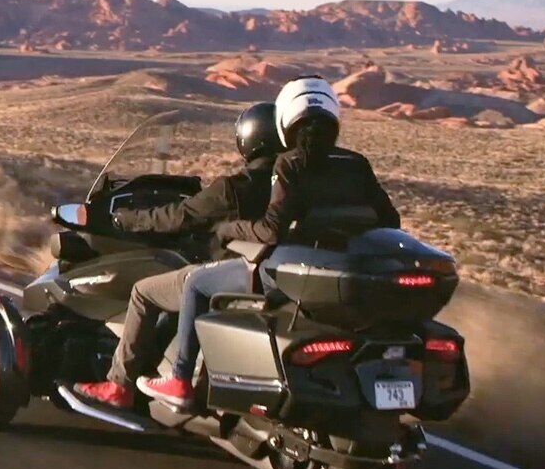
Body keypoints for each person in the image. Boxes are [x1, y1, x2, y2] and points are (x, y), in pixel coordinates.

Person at [136, 75, 401, 410]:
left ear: (285, 121)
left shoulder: (289, 164)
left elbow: (271, 230)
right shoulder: (356, 164)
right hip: (345, 270)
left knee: (196, 284)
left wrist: (230, 229)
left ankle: (180, 379)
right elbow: (391, 221)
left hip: (292, 270)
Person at [72, 102, 283, 409]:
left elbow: (176, 217)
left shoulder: (232, 189)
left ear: (248, 139)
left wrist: (125, 220)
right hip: (270, 274)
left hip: (225, 274)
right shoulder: (291, 185)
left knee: (144, 292)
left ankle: (119, 384)